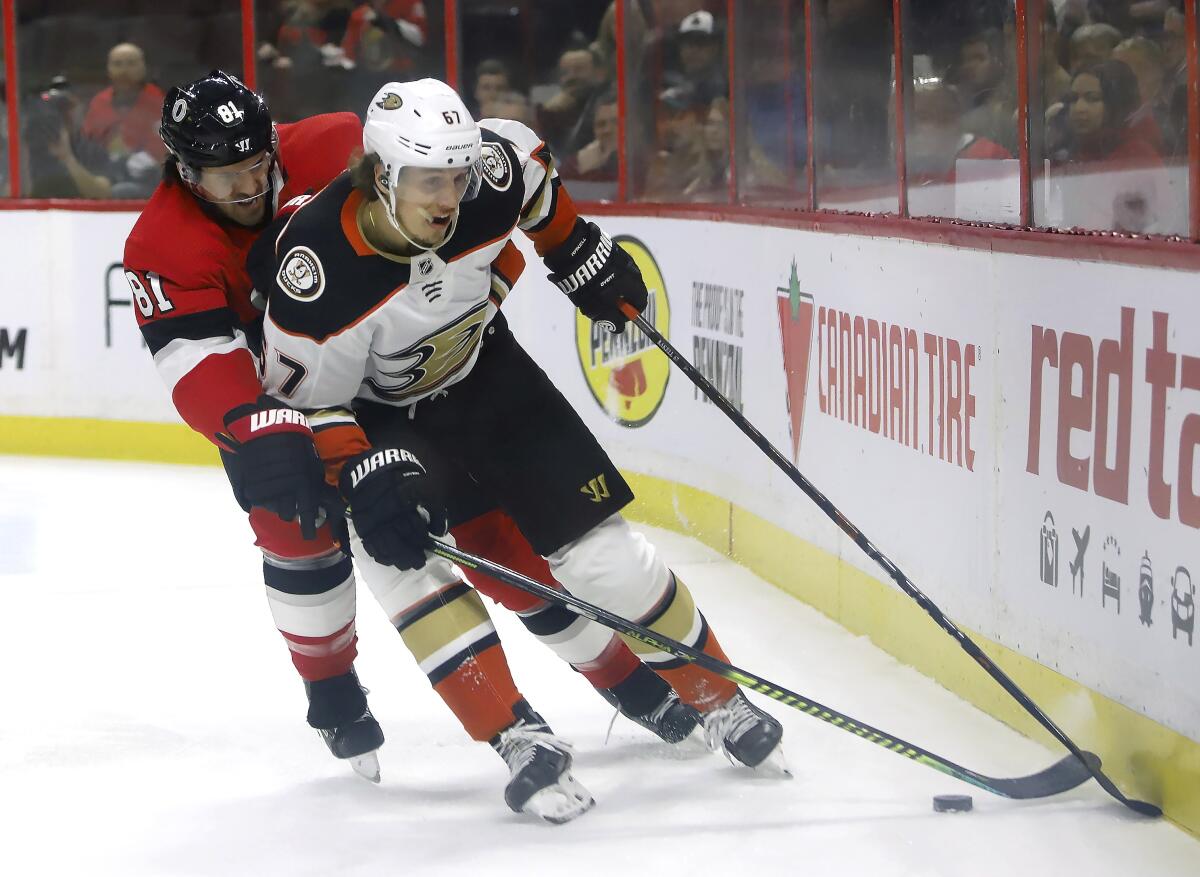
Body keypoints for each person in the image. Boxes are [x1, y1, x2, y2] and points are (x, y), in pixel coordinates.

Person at [124, 71, 699, 824]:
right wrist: (257, 424)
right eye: (228, 179)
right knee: (298, 532)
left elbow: (468, 193)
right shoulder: (161, 246)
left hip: (389, 383)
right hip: (277, 396)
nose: (252, 187)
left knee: (496, 534)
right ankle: (331, 693)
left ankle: (630, 680)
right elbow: (204, 368)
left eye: (260, 164)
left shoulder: (337, 142)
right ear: (184, 172)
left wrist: (526, 277)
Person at [246, 79, 788, 802]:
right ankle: (515, 732)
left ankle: (720, 698)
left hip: (484, 372)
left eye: (456, 176)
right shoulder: (315, 274)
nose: (449, 198)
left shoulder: (490, 177)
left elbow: (533, 178)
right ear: (380, 176)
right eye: (428, 181)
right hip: (383, 416)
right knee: (404, 561)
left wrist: (576, 251)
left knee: (605, 558)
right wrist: (360, 474)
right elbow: (309, 403)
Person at [81, 43, 165, 197]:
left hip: (148, 180)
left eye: (131, 63)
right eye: (118, 64)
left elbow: (164, 152)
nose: (124, 71)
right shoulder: (98, 103)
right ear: (109, 69)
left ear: (143, 67)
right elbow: (89, 145)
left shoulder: (159, 102)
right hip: (105, 175)